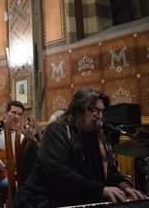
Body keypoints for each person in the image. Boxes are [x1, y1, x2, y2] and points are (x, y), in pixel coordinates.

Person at [13, 88, 148, 207]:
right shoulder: (57, 130)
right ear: (77, 110)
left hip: (82, 200)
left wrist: (123, 186)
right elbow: (57, 172)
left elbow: (111, 171)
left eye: (101, 111)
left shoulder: (98, 137)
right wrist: (100, 190)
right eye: (93, 110)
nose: (99, 116)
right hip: (46, 199)